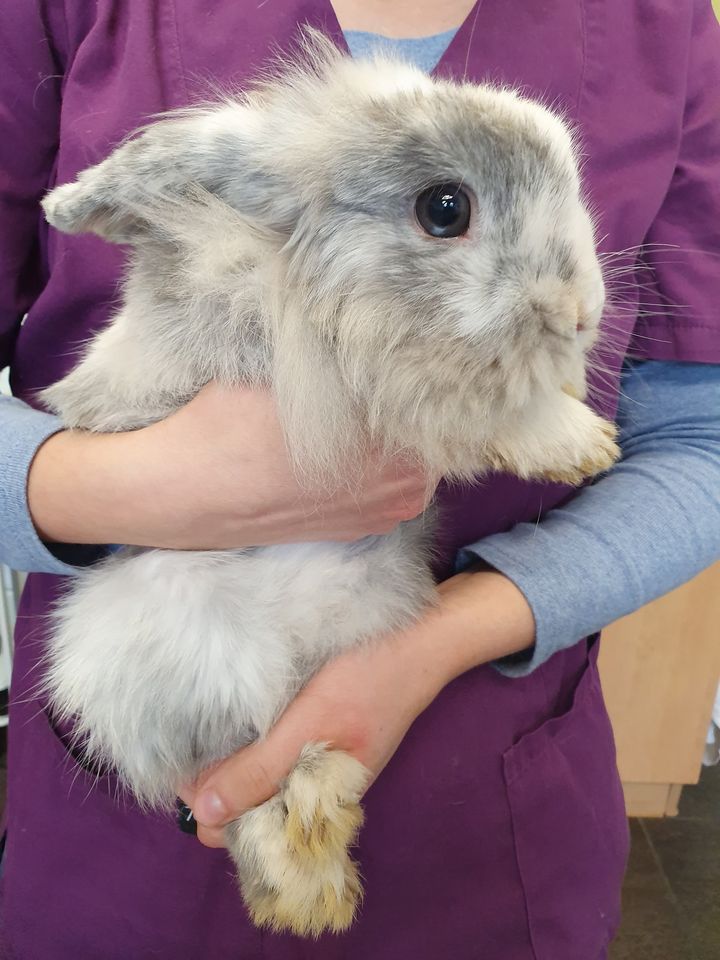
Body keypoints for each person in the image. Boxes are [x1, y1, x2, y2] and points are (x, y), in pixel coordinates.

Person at [1, 1, 719, 957]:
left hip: (485, 815)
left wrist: (437, 640)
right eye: (447, 213)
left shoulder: (667, 25)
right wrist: (130, 488)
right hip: (135, 811)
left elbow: (701, 442)